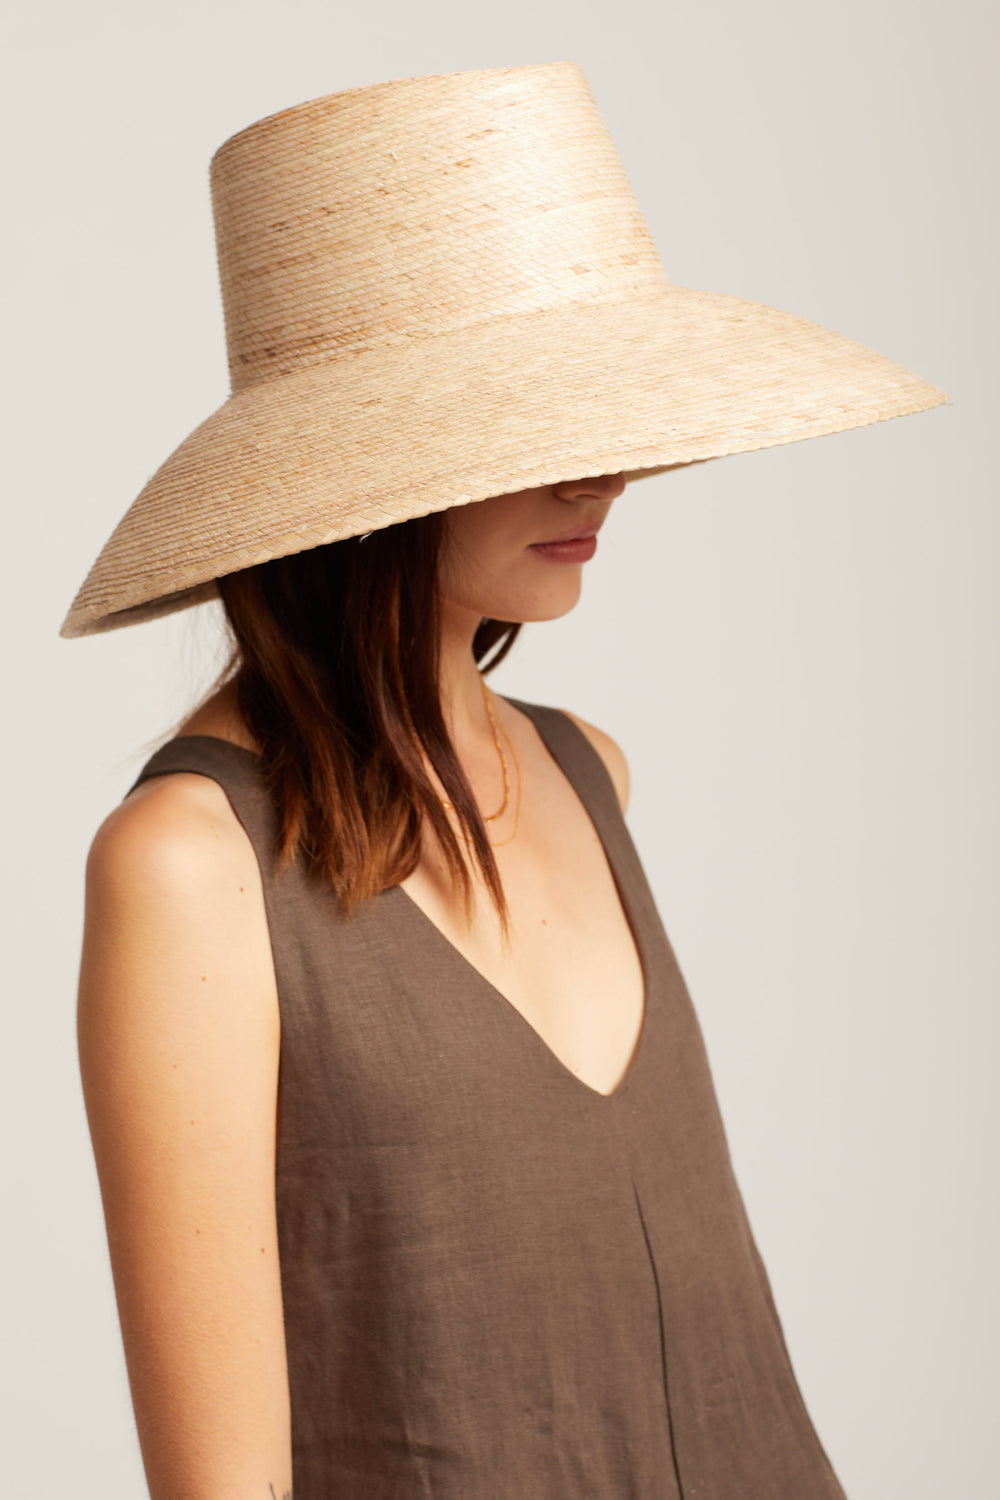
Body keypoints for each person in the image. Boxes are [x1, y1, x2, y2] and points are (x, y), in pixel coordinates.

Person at [63, 61, 946, 1500]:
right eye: (530, 426)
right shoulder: (192, 865)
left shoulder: (588, 772)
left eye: (604, 413)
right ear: (356, 477)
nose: (604, 476)